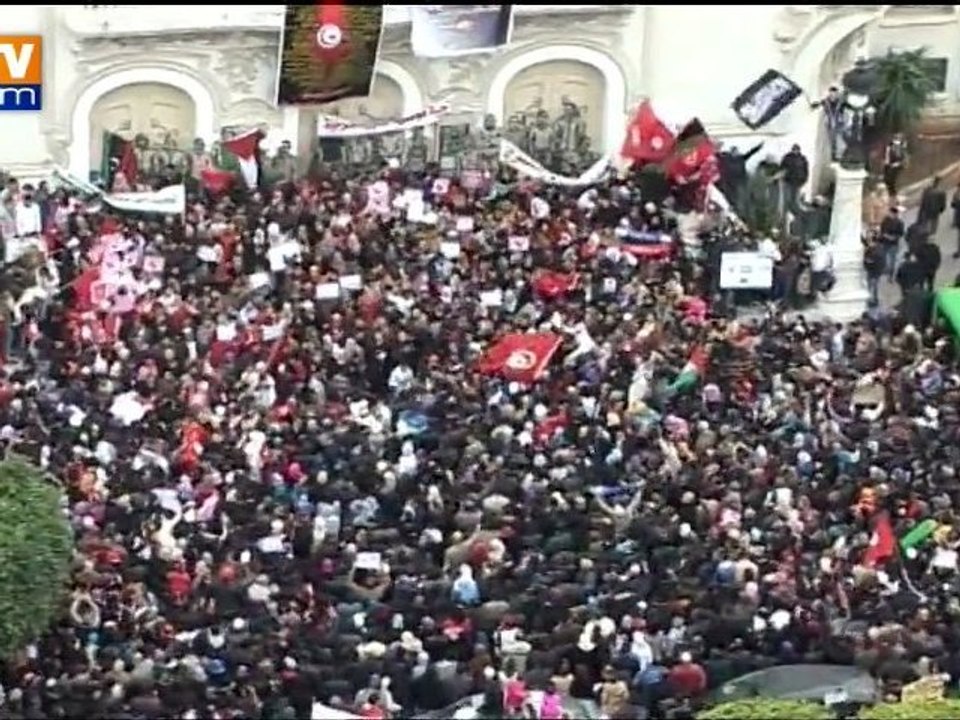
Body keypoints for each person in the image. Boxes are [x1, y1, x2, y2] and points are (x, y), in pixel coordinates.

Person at [779, 144, 809, 216]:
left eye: (796, 150)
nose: (795, 151)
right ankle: (786, 214)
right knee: (787, 199)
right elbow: (782, 168)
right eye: (794, 149)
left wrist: (804, 180)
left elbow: (806, 170)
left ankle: (795, 214)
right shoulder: (787, 157)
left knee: (795, 199)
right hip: (788, 181)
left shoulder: (802, 159)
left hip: (798, 182)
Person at [878, 206, 905, 281]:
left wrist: (894, 237)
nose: (889, 214)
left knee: (892, 260)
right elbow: (882, 230)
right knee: (883, 258)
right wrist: (885, 235)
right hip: (884, 242)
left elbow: (901, 233)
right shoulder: (885, 220)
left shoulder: (900, 222)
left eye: (891, 213)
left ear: (895, 214)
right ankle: (884, 271)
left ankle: (890, 275)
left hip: (893, 243)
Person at [863, 235, 886, 307]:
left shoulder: (874, 250)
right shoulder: (879, 249)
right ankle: (874, 299)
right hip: (876, 270)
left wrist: (867, 261)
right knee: (874, 286)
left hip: (873, 270)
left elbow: (869, 259)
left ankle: (872, 299)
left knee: (871, 285)